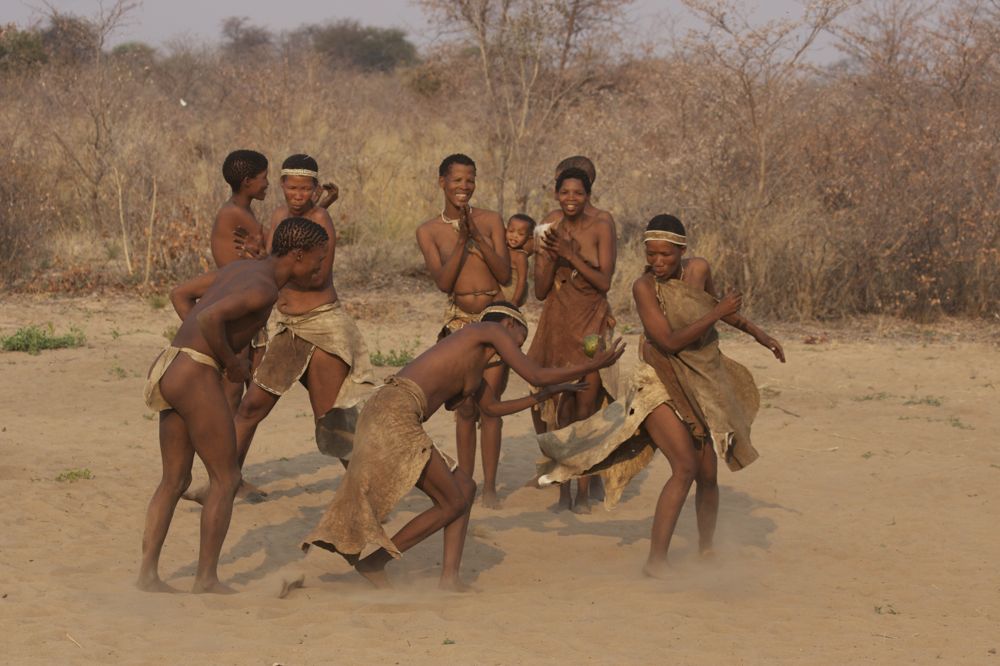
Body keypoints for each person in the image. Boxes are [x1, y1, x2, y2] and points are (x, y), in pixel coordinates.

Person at [302, 302, 626, 591]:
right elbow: (535, 373)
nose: (515, 352)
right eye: (520, 342)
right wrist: (592, 365)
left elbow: (493, 409)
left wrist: (540, 397)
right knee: (452, 501)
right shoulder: (487, 328)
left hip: (393, 413)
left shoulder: (474, 367)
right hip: (395, 412)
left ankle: (449, 578)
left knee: (463, 489)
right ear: (510, 325)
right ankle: (374, 563)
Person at [533, 214, 785, 578]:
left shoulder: (698, 270)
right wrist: (717, 312)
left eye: (666, 255)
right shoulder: (643, 287)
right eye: (651, 254)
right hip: (657, 380)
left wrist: (759, 335)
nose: (657, 262)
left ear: (682, 251)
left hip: (698, 379)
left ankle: (707, 549)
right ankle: (656, 562)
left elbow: (720, 308)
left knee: (708, 474)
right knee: (684, 467)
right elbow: (667, 340)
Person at [138, 217, 329, 594]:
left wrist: (201, 344)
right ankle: (206, 579)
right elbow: (209, 316)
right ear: (298, 255)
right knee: (225, 479)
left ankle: (146, 575)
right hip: (195, 373)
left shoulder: (244, 268)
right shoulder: (262, 289)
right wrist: (229, 359)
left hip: (172, 365)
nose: (321, 269)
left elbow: (182, 295)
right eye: (319, 262)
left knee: (174, 480)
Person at [184, 154, 376, 504]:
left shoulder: (321, 220)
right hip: (288, 328)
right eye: (291, 187)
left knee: (330, 419)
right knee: (251, 408)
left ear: (315, 189)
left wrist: (266, 262)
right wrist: (264, 261)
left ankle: (367, 496)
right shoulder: (276, 217)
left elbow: (314, 276)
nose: (297, 195)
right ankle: (224, 484)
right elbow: (276, 265)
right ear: (283, 187)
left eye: (306, 189)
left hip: (321, 327)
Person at [415, 153, 511, 509]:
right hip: (458, 320)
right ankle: (466, 482)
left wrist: (479, 238)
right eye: (457, 180)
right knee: (465, 407)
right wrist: (461, 241)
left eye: (469, 180)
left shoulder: (491, 220)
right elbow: (443, 282)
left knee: (491, 404)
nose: (464, 187)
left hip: (495, 316)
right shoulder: (429, 230)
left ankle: (490, 486)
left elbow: (504, 274)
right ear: (442, 183)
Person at [529, 167, 617, 513]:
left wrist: (570, 254)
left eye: (577, 194)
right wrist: (550, 254)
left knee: (587, 409)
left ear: (588, 195)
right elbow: (538, 290)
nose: (570, 200)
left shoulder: (602, 223)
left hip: (591, 322)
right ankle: (563, 492)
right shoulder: (549, 224)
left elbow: (605, 281)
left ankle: (584, 493)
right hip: (557, 321)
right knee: (558, 410)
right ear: (555, 194)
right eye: (564, 193)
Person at [210, 150, 270, 412]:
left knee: (253, 387)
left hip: (244, 302)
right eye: (263, 177)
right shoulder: (234, 214)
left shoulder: (242, 210)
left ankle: (232, 448)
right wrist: (316, 210)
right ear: (247, 181)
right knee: (233, 388)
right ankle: (223, 448)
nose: (267, 183)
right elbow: (281, 246)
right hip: (235, 304)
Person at [500, 213, 535, 307]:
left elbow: (522, 280)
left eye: (520, 234)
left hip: (512, 292)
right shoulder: (503, 247)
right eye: (511, 231)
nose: (514, 236)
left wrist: (515, 300)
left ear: (529, 237)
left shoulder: (521, 256)